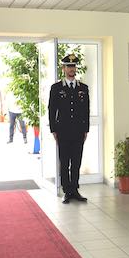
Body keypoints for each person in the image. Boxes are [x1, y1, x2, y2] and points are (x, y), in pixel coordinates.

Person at [48, 54, 90, 204]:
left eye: (73, 66)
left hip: (78, 131)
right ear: (63, 68)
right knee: (64, 161)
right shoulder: (56, 88)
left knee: (76, 161)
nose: (71, 69)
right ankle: (67, 190)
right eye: (68, 66)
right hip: (63, 131)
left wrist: (86, 130)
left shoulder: (83, 88)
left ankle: (75, 189)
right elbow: (52, 110)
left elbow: (86, 110)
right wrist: (53, 129)